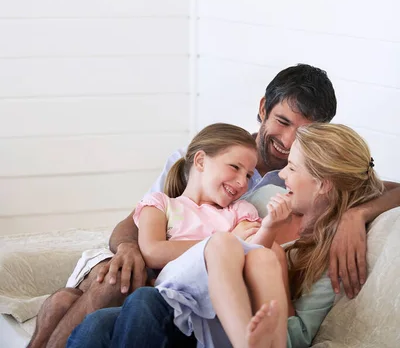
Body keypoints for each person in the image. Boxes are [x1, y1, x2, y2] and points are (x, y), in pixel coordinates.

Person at [28, 64, 400, 348]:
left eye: (301, 135)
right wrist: (130, 249)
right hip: (165, 274)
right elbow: (139, 220)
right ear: (263, 108)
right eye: (283, 122)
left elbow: (359, 184)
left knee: (133, 300)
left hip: (194, 299)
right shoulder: (205, 159)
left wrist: (357, 214)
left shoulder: (284, 193)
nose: (287, 142)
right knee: (94, 294)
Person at [67, 122, 384, 348]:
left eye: (293, 168)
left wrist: (273, 300)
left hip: (223, 325)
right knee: (100, 323)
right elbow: (187, 216)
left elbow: (296, 336)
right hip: (187, 301)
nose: (280, 174)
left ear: (322, 184)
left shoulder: (331, 254)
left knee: (146, 302)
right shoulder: (265, 197)